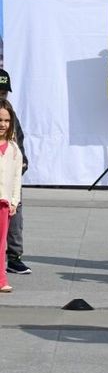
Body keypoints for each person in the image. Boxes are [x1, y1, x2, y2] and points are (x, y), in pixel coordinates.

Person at [0, 69, 30, 275]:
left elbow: (18, 142)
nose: (1, 97)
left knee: (15, 213)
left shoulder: (11, 116)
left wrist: (22, 164)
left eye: (4, 93)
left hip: (8, 177)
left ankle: (14, 257)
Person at [0, 99, 23, 292]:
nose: (3, 124)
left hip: (4, 203)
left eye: (6, 120)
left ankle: (1, 279)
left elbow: (16, 178)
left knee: (1, 244)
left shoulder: (14, 149)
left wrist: (14, 201)